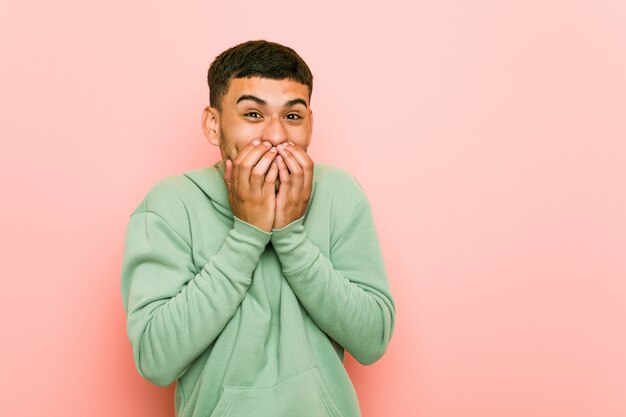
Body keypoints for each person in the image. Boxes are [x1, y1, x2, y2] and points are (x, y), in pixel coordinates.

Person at [121, 39, 395, 417]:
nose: (277, 136)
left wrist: (291, 235)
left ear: (310, 125)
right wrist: (247, 234)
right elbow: (155, 358)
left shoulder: (339, 194)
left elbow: (373, 339)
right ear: (213, 125)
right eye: (253, 115)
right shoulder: (169, 205)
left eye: (293, 117)